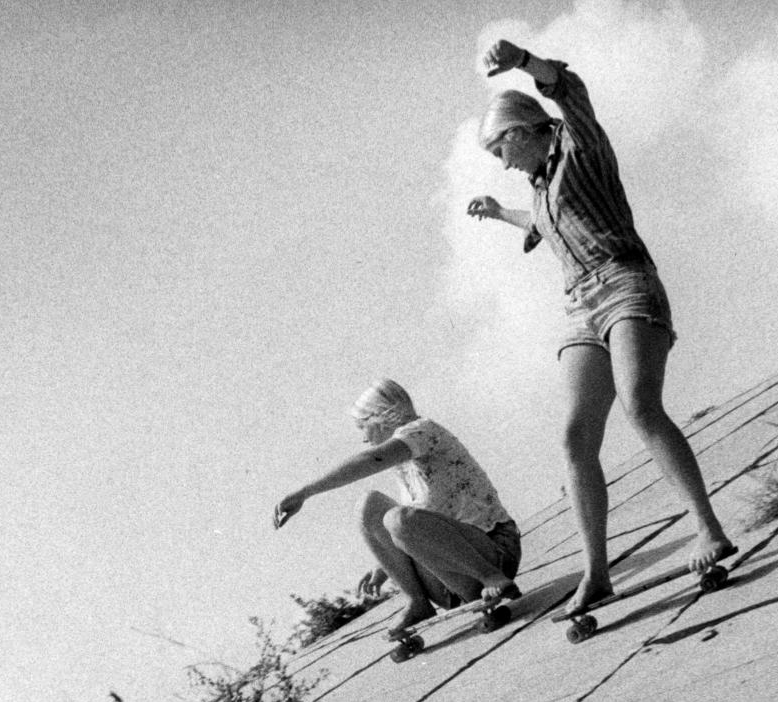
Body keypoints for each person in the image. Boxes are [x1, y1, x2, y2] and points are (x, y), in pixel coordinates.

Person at [465, 39, 734, 617]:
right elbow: (536, 219)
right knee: (574, 437)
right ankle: (596, 573)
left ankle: (706, 527)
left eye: (501, 150)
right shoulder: (539, 187)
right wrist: (497, 213)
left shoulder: (579, 147)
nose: (503, 164)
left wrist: (522, 61)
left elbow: (571, 90)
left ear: (524, 130)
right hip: (580, 306)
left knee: (640, 404)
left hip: (626, 283)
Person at [274, 379, 521, 635]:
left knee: (398, 519)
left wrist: (305, 492)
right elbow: (426, 521)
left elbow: (372, 460)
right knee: (369, 506)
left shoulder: (423, 431)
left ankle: (490, 576)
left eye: (363, 427)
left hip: (495, 553)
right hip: (452, 579)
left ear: (379, 419)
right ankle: (418, 601)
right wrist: (387, 566)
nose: (363, 438)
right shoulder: (405, 464)